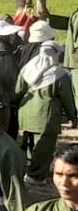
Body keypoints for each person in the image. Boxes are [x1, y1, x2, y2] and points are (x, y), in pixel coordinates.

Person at [15, 36, 77, 183]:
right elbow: (67, 98)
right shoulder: (59, 74)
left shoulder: (28, 67)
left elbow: (18, 90)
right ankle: (35, 175)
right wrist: (72, 116)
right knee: (44, 146)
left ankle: (24, 170)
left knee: (28, 143)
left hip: (25, 112)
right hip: (46, 114)